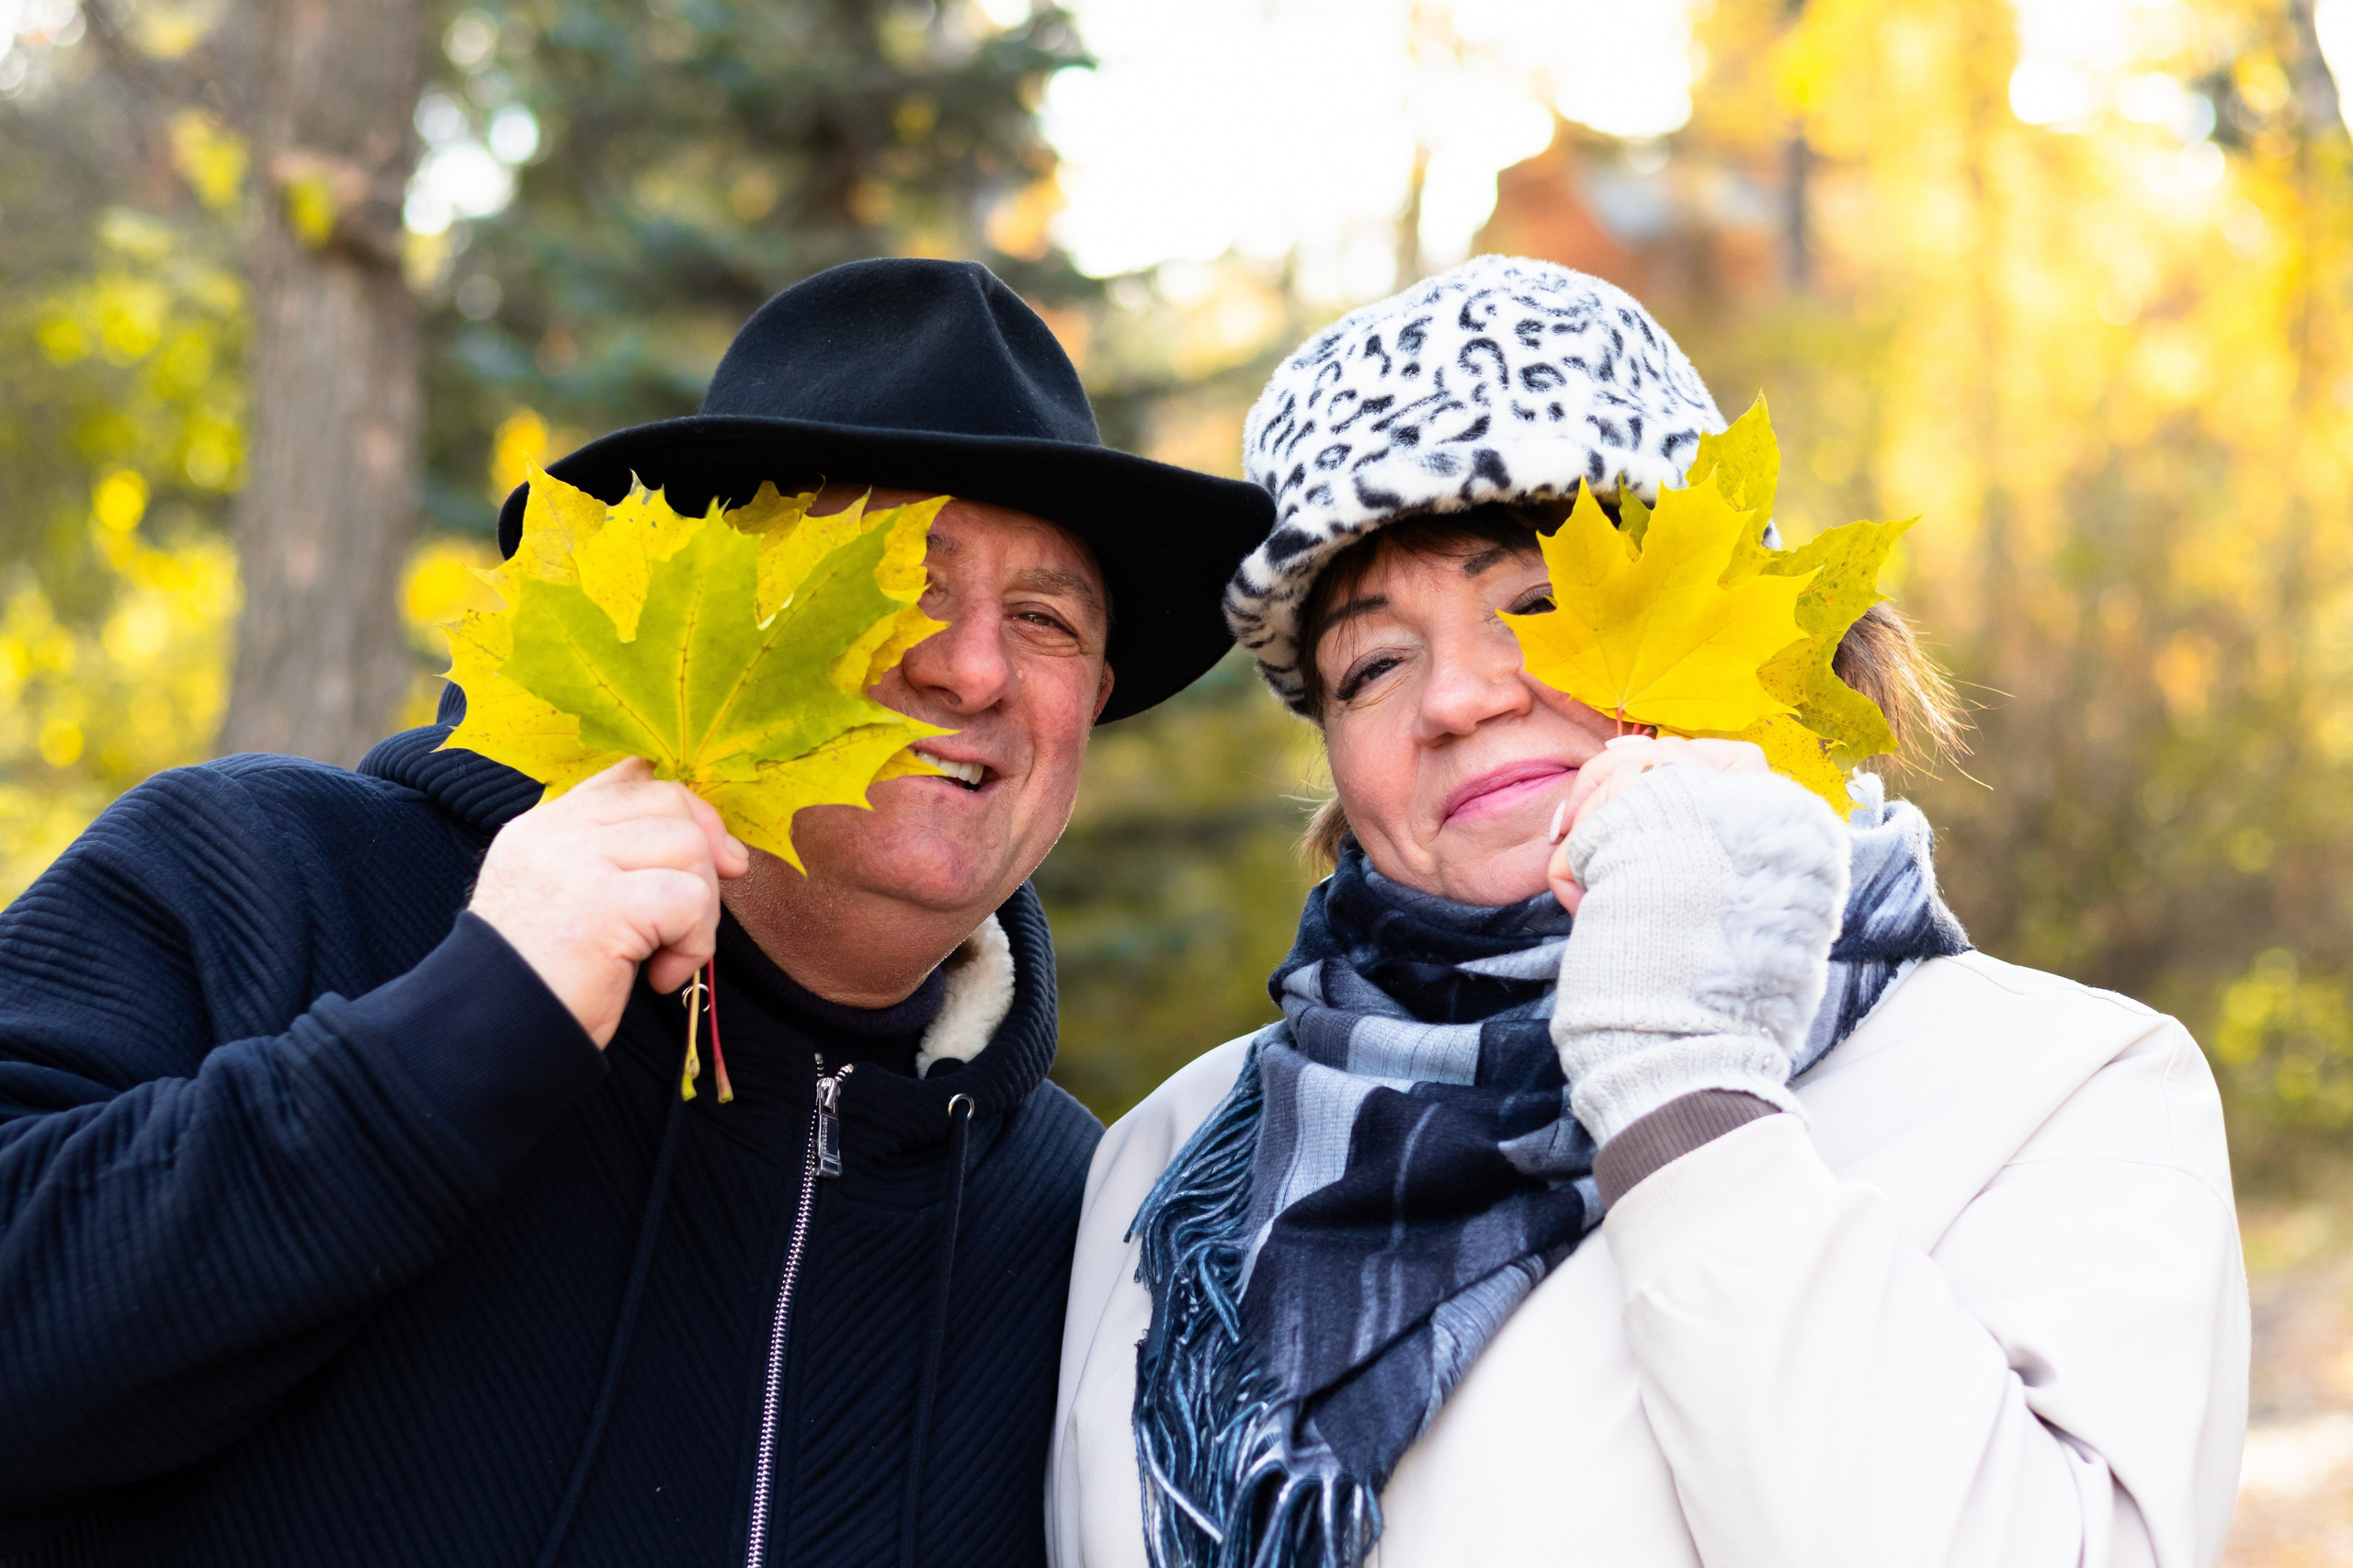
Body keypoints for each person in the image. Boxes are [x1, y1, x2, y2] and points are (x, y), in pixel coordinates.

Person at [0, 258, 1272, 1568]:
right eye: (896, 578)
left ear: (1097, 697)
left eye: (1046, 618)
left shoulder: (1078, 1217)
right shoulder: (269, 878)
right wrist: (458, 1033)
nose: (971, 664)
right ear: (705, 618)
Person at [1049, 256, 2247, 1568]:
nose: (1456, 697)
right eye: (1373, 661)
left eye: (1542, 602)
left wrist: (1686, 1090)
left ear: (1721, 616)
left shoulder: (2057, 1086)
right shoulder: (1172, 1165)